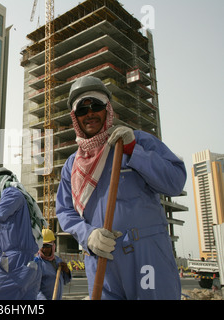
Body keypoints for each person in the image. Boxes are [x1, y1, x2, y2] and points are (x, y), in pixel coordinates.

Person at [56, 76, 187, 300]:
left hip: (146, 256)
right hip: (101, 259)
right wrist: (88, 236)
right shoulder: (72, 165)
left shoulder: (136, 141)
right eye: (82, 110)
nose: (90, 114)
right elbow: (65, 211)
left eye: (96, 106)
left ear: (107, 110)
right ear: (75, 118)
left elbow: (175, 181)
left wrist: (134, 151)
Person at [0, 167, 47, 300]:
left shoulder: (11, 191)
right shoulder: (17, 213)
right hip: (29, 267)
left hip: (16, 265)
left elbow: (9, 201)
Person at [36, 229, 71, 300]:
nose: (44, 249)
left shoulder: (58, 261)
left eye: (47, 246)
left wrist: (66, 271)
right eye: (42, 246)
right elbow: (34, 288)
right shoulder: (38, 263)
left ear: (53, 246)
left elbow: (65, 280)